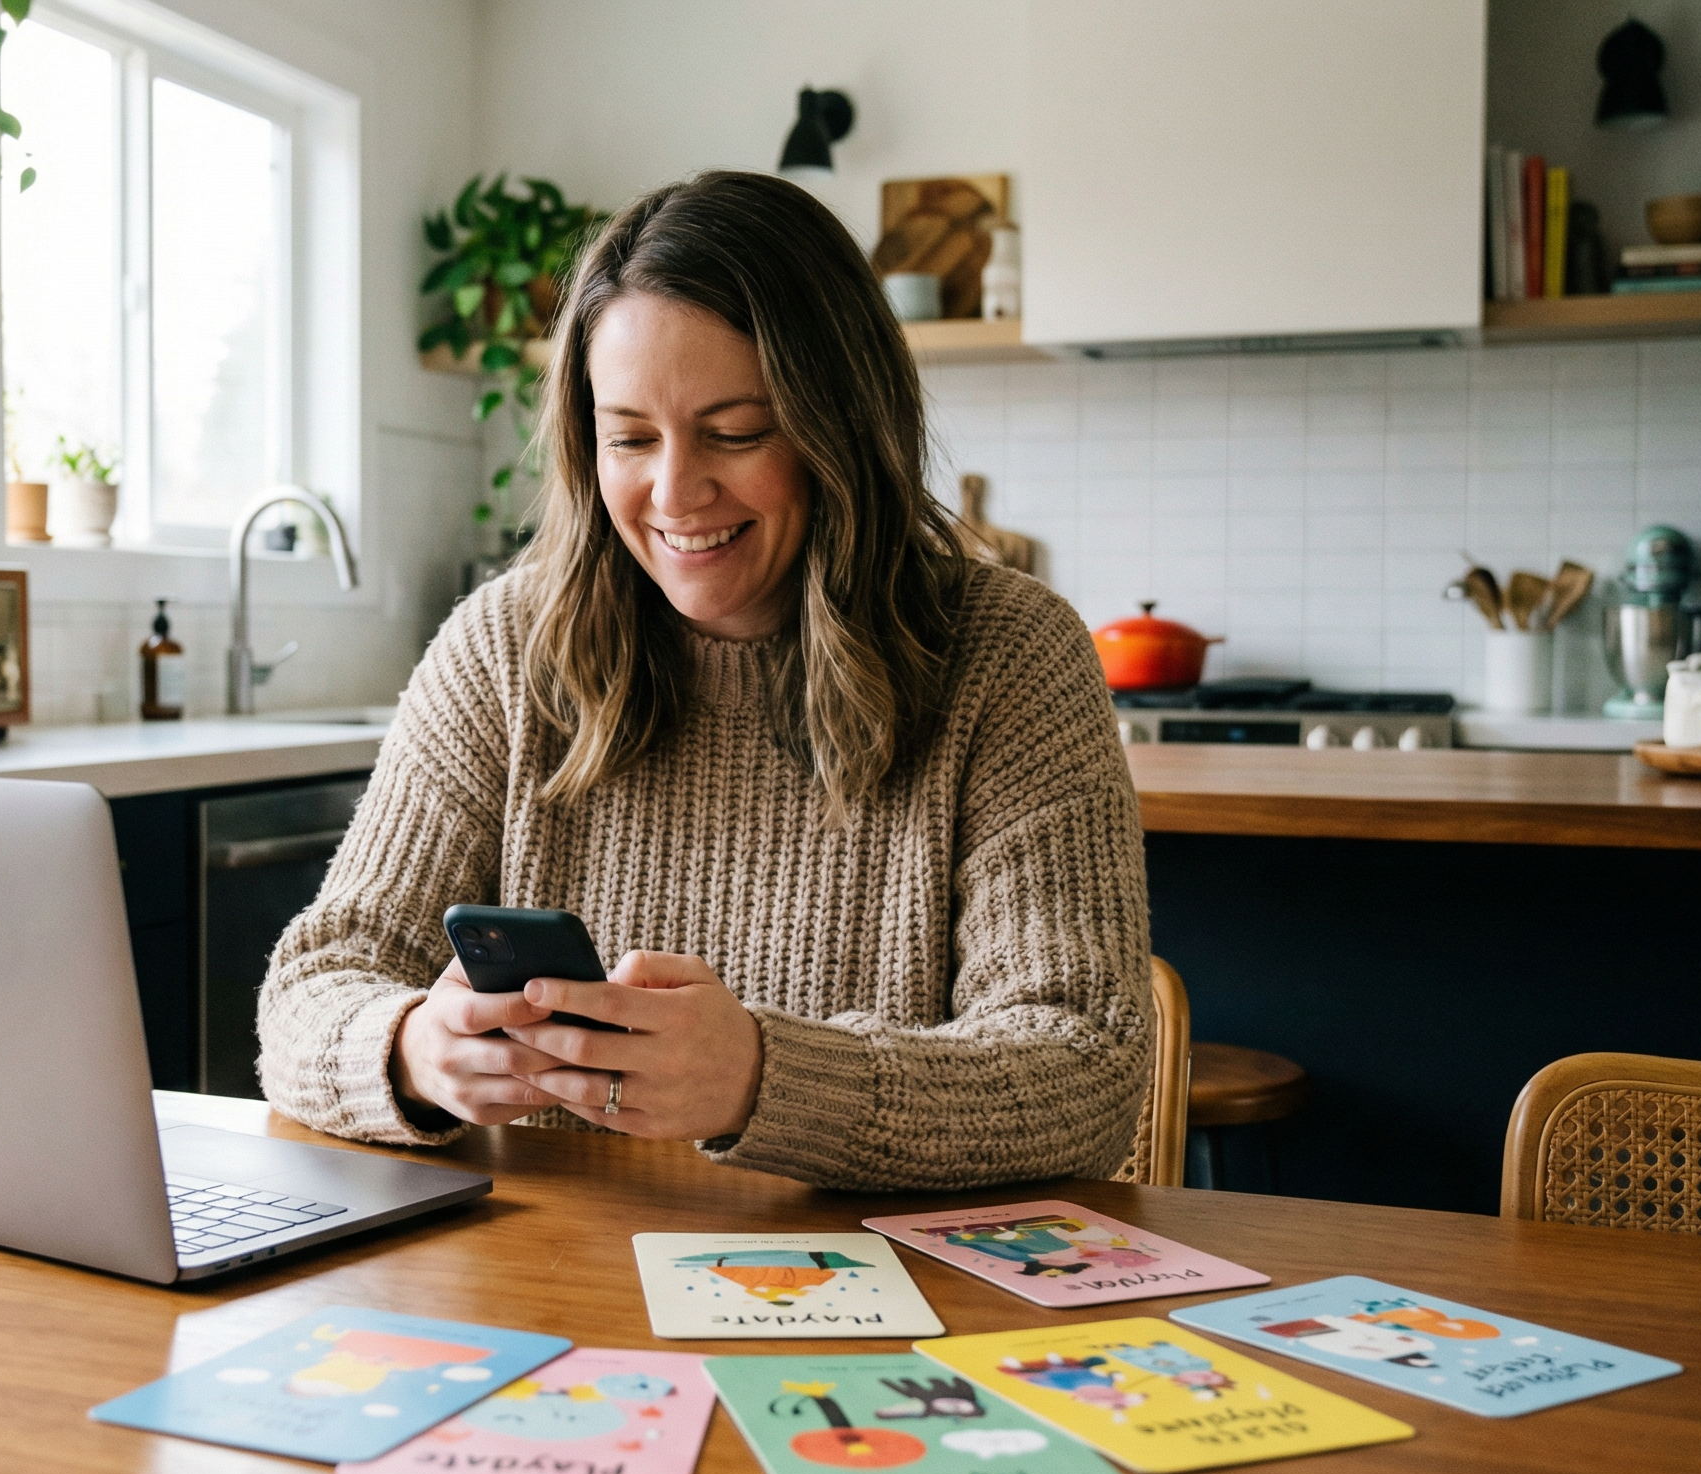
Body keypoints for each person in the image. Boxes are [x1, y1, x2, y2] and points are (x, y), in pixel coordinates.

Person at [256, 170, 1151, 1191]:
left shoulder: (1009, 654)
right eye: (630, 437)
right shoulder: (504, 649)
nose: (674, 492)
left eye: (735, 431)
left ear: (840, 428)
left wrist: (762, 1079)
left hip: (884, 1305)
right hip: (548, 1295)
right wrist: (411, 1048)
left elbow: (1083, 1069)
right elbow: (307, 993)